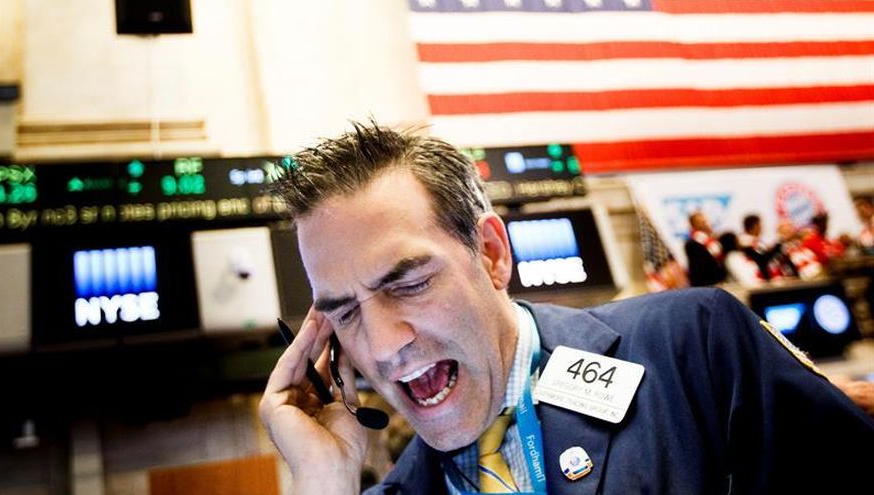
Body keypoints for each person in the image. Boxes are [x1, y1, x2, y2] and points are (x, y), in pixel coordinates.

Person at [259, 122, 874, 494]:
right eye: (345, 312)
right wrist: (322, 481)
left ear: (492, 255)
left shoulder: (691, 350)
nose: (383, 344)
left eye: (410, 283)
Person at [683, 211, 726, 286]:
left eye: (705, 221)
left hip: (719, 279)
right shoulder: (692, 244)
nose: (705, 224)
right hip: (707, 283)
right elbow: (701, 266)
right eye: (700, 222)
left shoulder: (713, 240)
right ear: (693, 225)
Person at [738, 214, 784, 281]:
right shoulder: (746, 241)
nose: (761, 228)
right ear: (754, 226)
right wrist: (778, 244)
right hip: (757, 277)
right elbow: (763, 258)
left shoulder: (754, 241)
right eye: (759, 225)